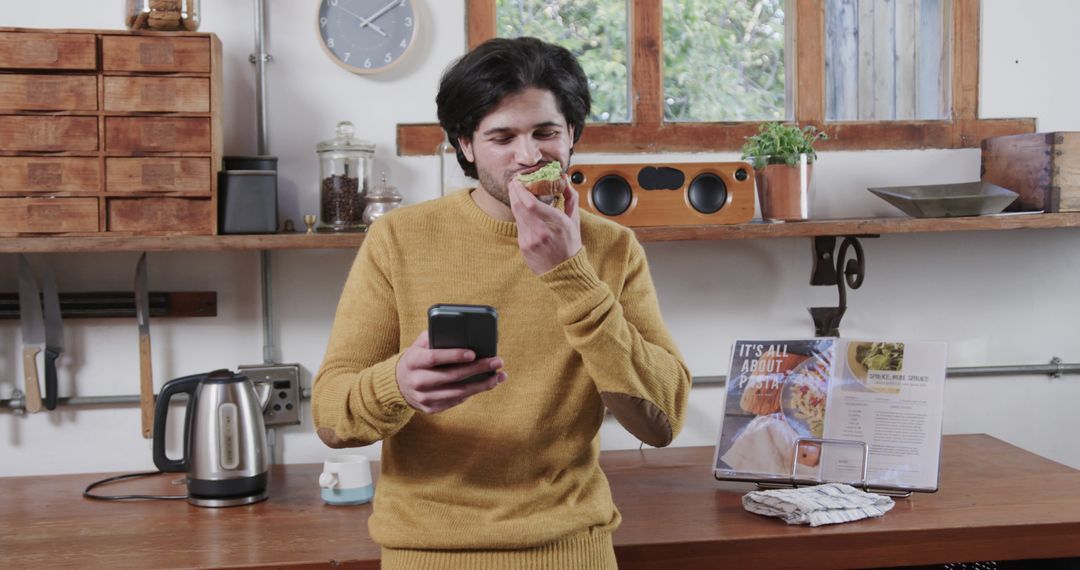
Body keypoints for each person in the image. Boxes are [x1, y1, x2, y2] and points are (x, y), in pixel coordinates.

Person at [312, 36, 692, 569]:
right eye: (502, 137)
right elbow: (331, 417)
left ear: (572, 135)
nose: (529, 156)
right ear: (465, 145)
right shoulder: (399, 239)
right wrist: (396, 384)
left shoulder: (611, 247)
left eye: (546, 132)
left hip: (571, 550)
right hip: (427, 553)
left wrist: (570, 274)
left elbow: (662, 420)